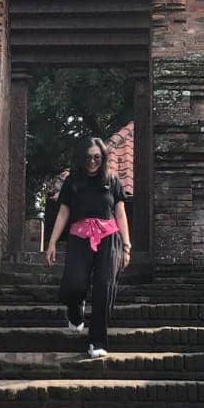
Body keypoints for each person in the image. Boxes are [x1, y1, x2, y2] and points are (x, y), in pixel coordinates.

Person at [45, 136, 132, 358]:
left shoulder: (112, 180)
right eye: (88, 158)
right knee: (74, 284)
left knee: (104, 288)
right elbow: (63, 213)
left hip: (109, 238)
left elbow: (120, 213)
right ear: (81, 159)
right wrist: (52, 242)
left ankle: (97, 342)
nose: (92, 162)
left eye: (97, 157)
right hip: (79, 238)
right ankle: (75, 313)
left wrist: (126, 246)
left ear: (103, 158)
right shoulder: (72, 181)